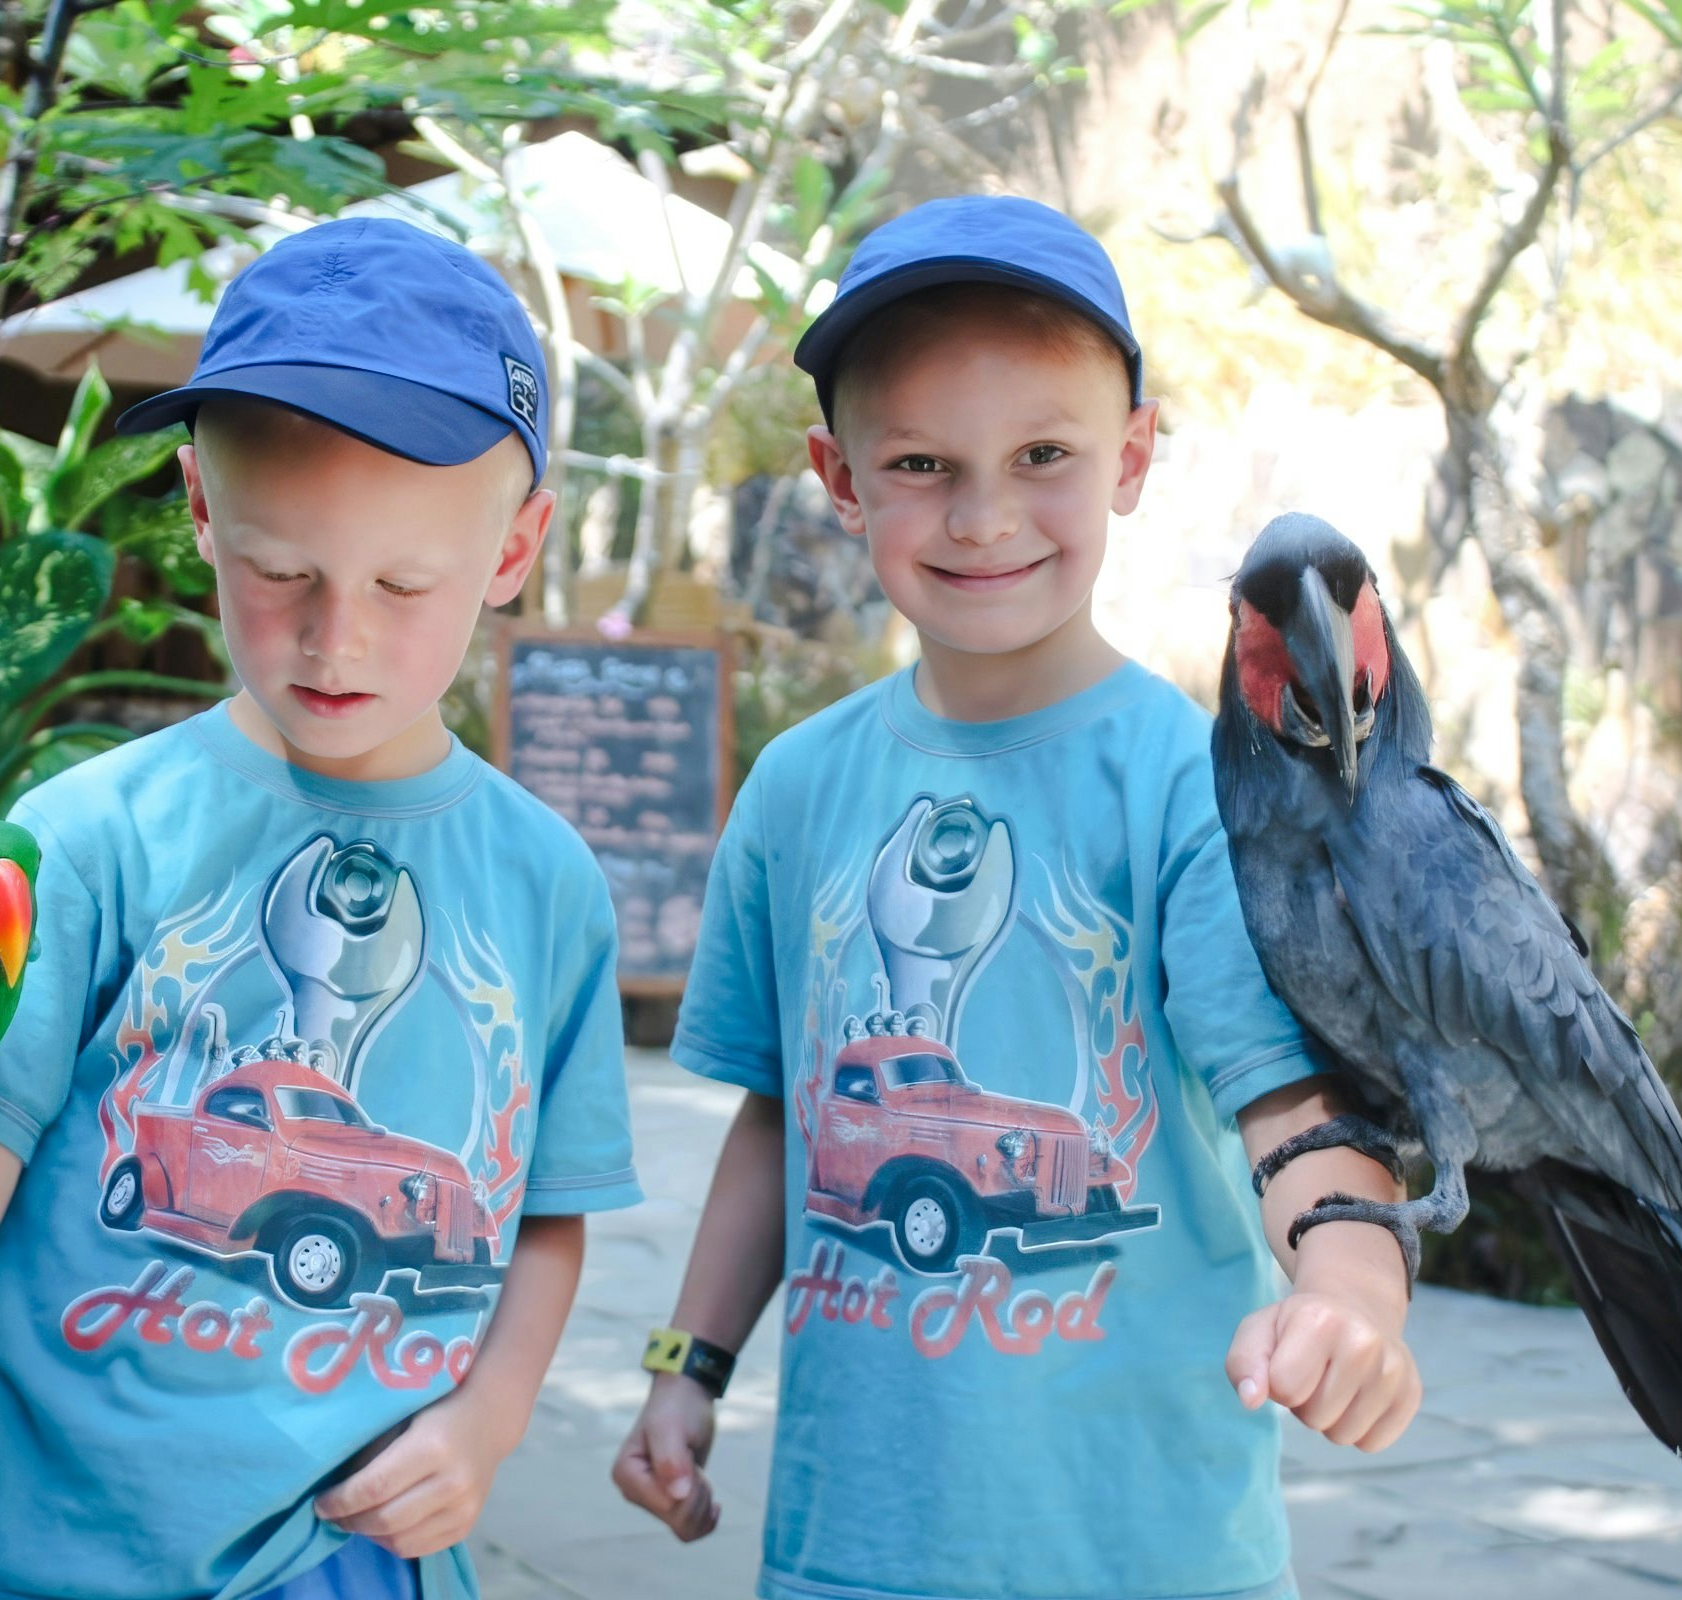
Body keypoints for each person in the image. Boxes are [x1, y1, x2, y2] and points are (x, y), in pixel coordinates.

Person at [0, 217, 642, 1600]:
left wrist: (487, 1425)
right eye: (280, 570)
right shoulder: (90, 837)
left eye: (403, 584)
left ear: (516, 546)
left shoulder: (547, 883)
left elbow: (547, 1212)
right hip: (41, 1556)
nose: (335, 635)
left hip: (357, 1556)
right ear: (199, 509)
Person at [610, 196, 1423, 1600]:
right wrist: (691, 1366)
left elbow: (1292, 1101)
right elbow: (780, 1118)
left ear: (1133, 457)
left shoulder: (1194, 782)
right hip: (850, 1544)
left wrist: (1355, 1288)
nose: (984, 517)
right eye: (922, 463)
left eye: (1042, 455)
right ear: (839, 474)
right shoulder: (798, 787)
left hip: (1143, 1546)